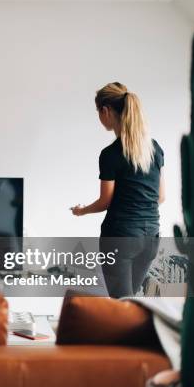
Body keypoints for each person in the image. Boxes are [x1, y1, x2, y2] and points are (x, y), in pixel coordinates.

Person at [70, 82, 165, 297]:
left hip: (120, 236)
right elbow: (161, 196)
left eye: (98, 112)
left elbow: (105, 201)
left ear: (106, 110)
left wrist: (81, 210)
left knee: (121, 303)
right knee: (130, 302)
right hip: (151, 236)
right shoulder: (154, 149)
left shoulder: (111, 154)